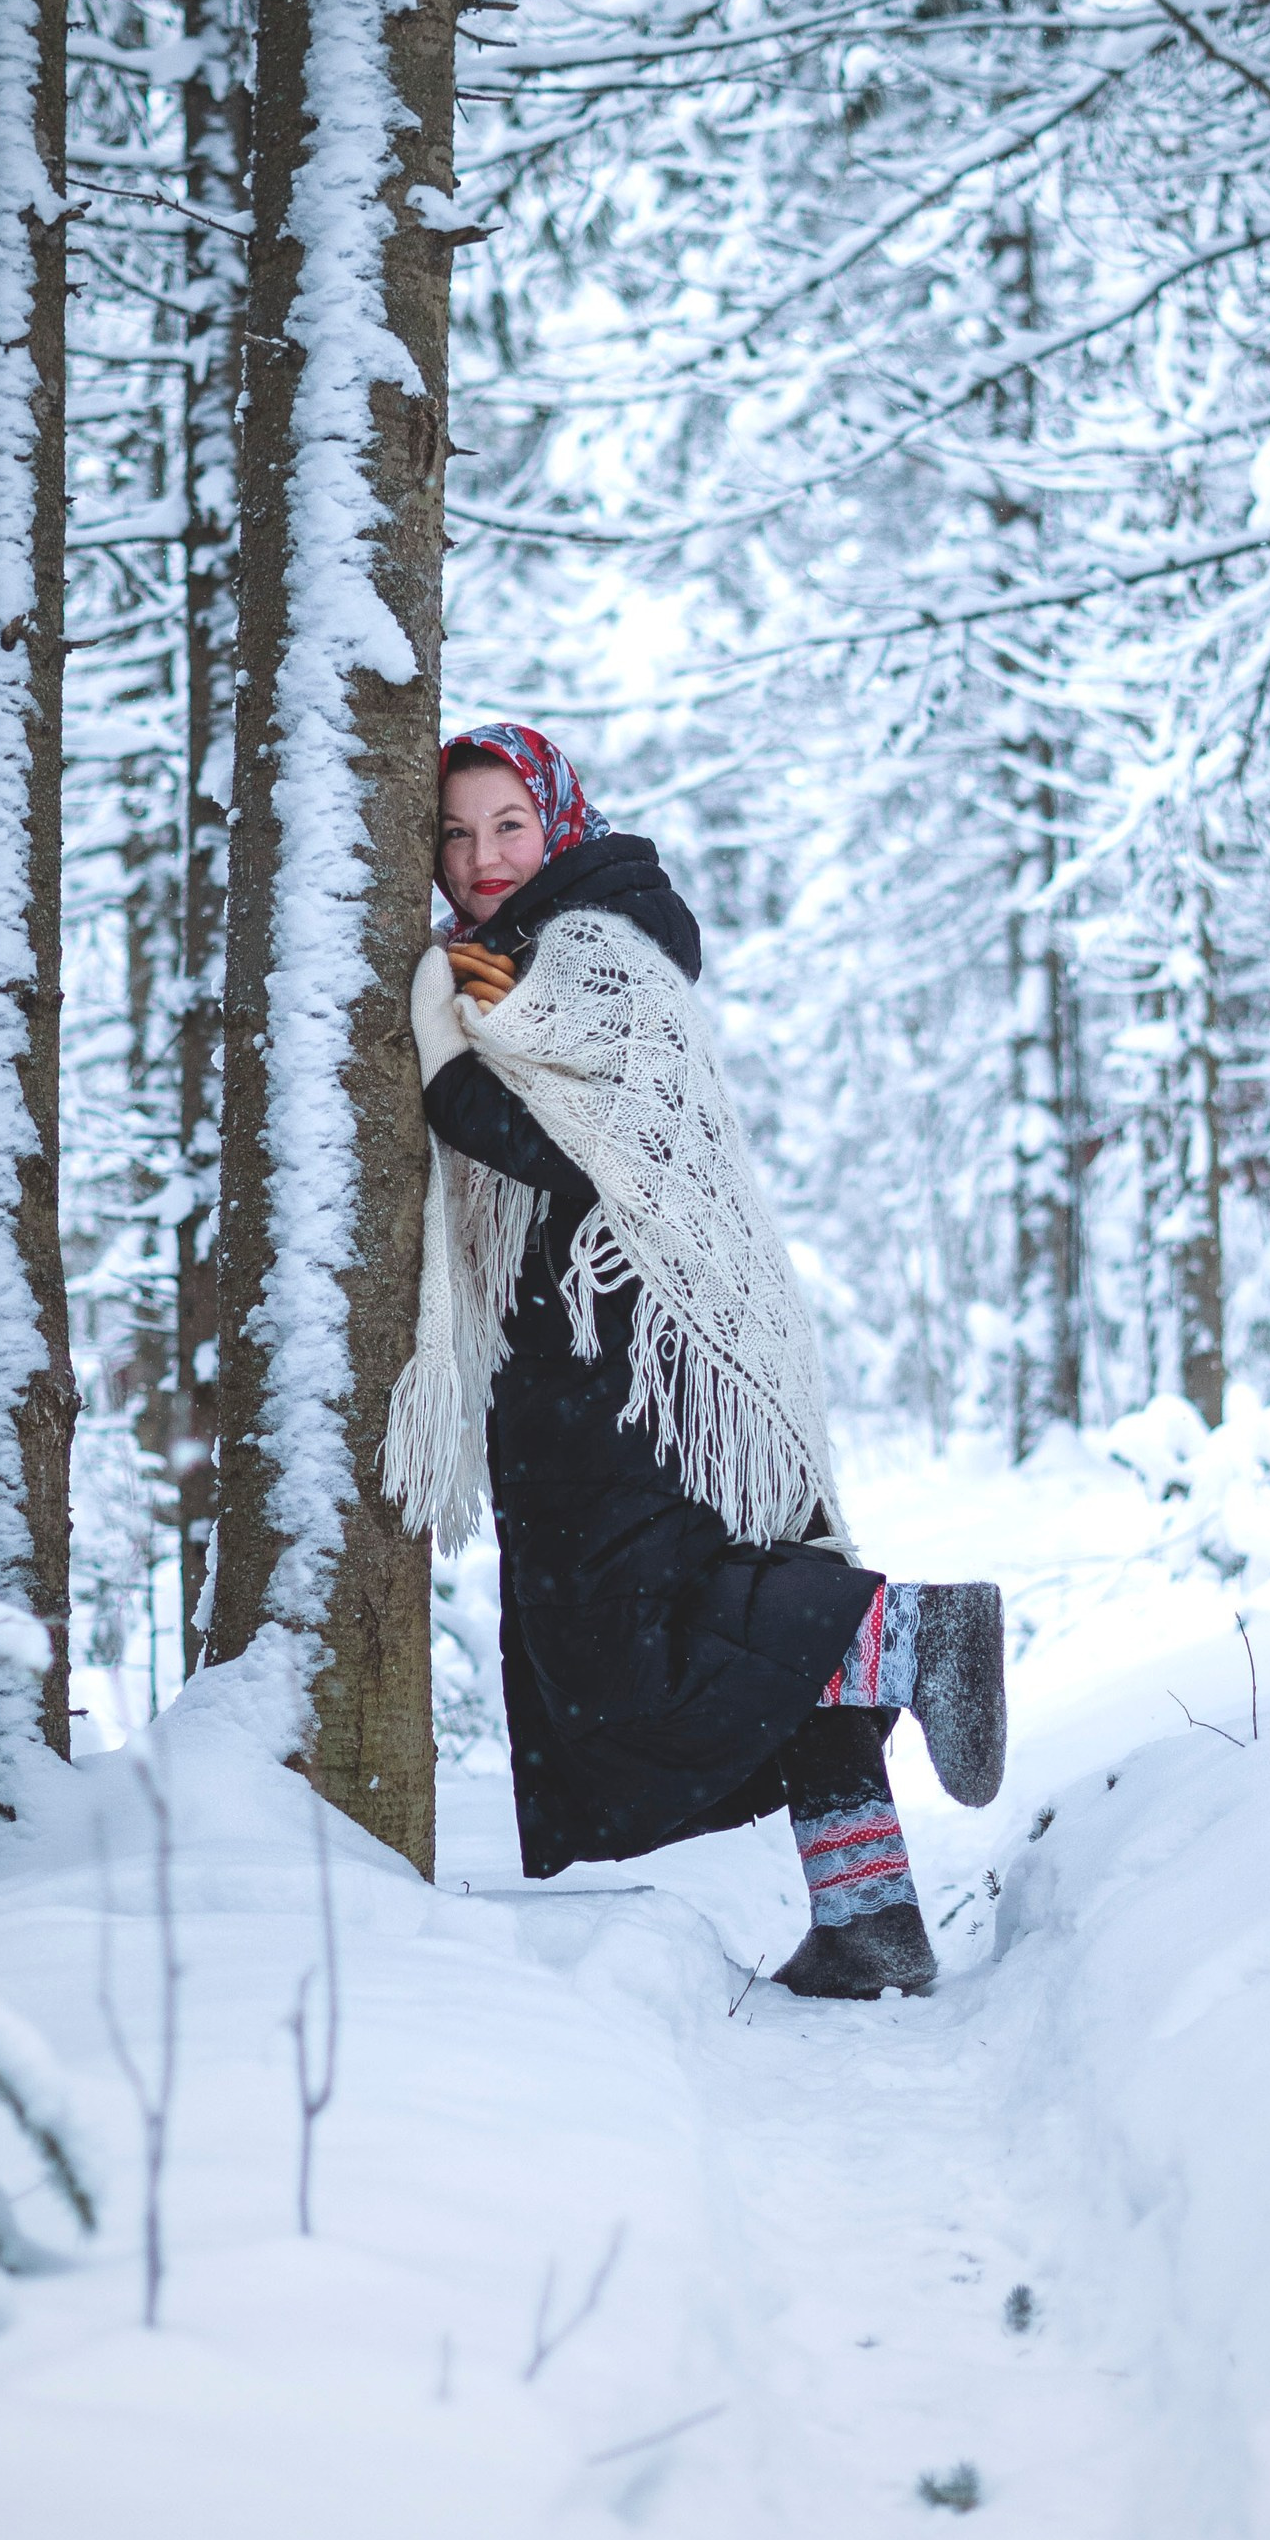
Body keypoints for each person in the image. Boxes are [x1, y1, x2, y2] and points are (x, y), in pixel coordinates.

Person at [385, 721, 1006, 2000]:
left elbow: (576, 1154)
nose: (482, 855)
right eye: (455, 832)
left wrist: (443, 1061)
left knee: (633, 1648)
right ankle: (870, 1918)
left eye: (509, 824)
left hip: (625, 1361)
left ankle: (910, 1635)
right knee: (750, 1614)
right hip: (629, 1353)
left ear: (559, 821)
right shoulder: (516, 958)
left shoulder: (592, 952)